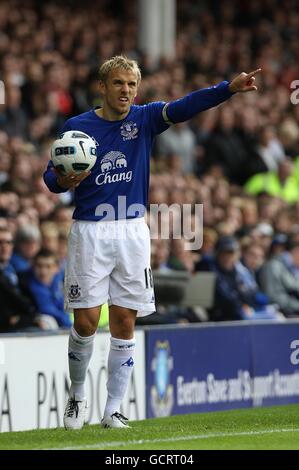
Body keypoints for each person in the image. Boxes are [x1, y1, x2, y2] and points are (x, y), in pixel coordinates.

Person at [43, 56, 261, 430]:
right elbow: (51, 176)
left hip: (132, 230)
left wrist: (227, 89)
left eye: (131, 84)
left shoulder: (144, 119)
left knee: (125, 320)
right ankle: (77, 397)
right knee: (87, 321)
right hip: (90, 231)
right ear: (102, 87)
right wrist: (64, 182)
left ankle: (112, 409)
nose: (125, 90)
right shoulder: (77, 127)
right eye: (118, 84)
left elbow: (185, 106)